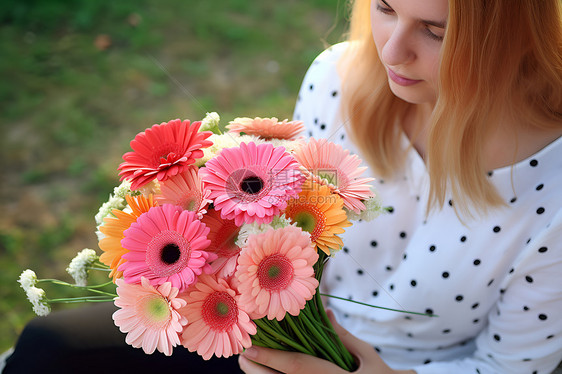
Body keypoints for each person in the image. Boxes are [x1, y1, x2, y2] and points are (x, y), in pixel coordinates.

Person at [239, 0, 562, 373]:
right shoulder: (334, 81)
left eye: (435, 32)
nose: (391, 52)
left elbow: (509, 365)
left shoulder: (550, 186)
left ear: (517, 37)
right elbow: (280, 232)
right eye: (385, 8)